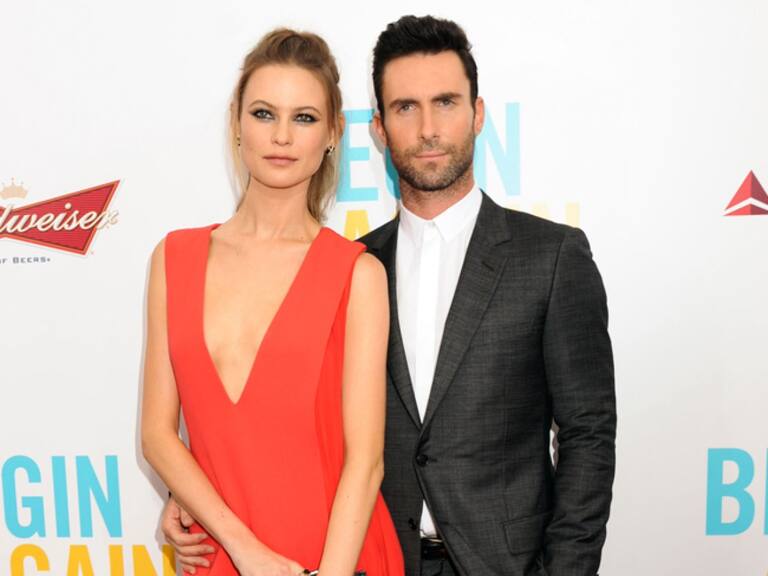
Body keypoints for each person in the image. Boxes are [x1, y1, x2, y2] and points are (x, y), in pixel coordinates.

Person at [164, 15, 616, 576]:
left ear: (477, 114)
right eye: (405, 107)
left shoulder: (550, 257)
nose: (427, 128)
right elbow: (282, 420)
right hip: (381, 558)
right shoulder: (350, 267)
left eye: (446, 103)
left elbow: (588, 434)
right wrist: (189, 498)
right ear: (378, 128)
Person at [141, 28, 404, 576]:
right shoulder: (174, 259)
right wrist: (244, 549)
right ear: (237, 122)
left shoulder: (357, 275)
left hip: (336, 558)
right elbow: (158, 436)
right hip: (224, 554)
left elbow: (365, 463)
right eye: (264, 114)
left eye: (304, 118)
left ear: (333, 133)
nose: (282, 136)